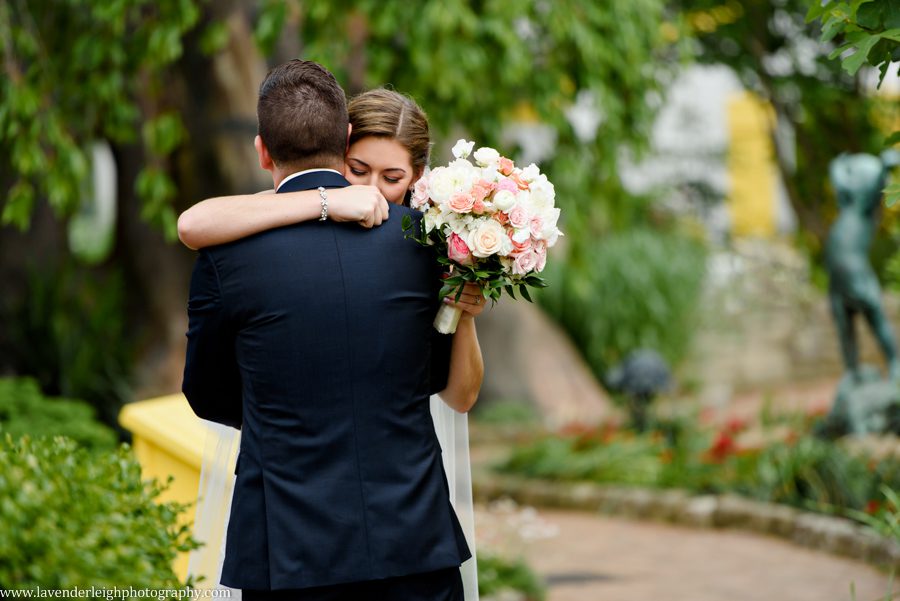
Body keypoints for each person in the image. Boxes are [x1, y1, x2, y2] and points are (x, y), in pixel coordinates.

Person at [182, 60, 480, 601]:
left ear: (262, 151)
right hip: (414, 544)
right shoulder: (428, 246)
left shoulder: (227, 255)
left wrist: (279, 417)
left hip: (289, 553)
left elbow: (206, 394)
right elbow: (436, 380)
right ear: (344, 140)